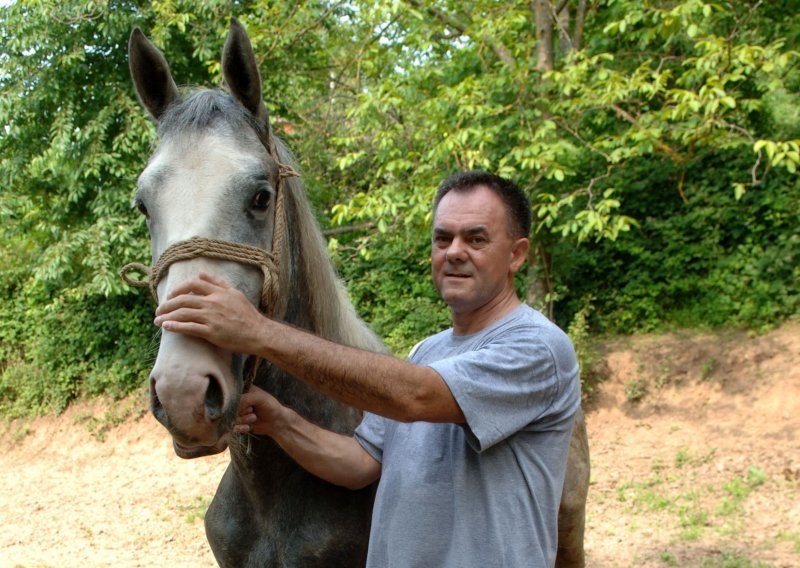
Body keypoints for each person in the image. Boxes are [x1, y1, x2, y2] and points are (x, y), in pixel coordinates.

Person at [154, 170, 581, 567]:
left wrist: (258, 331)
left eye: (476, 239)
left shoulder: (539, 348)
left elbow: (415, 396)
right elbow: (358, 464)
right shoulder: (425, 353)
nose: (454, 252)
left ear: (516, 254)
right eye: (442, 238)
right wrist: (281, 421)